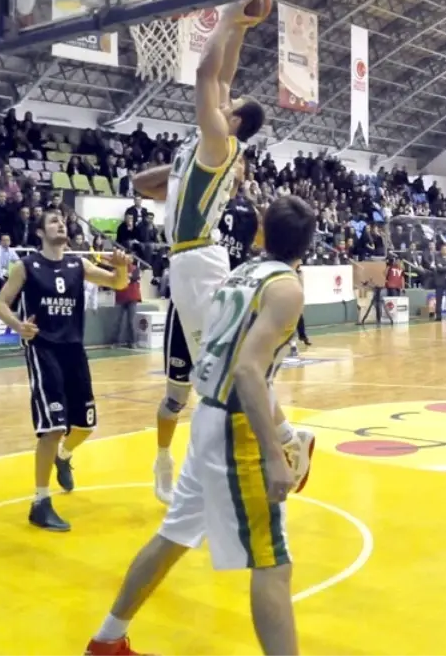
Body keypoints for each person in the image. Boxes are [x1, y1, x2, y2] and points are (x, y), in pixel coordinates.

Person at [85, 196, 317, 656]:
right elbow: (250, 371)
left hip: (208, 414)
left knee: (174, 535)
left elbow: (232, 359)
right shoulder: (286, 288)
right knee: (272, 563)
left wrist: (287, 435)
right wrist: (275, 453)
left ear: (262, 234)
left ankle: (107, 640)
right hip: (235, 426)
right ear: (307, 245)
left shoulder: (240, 274)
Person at [131, 0, 312, 505]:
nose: (224, 100)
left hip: (196, 261)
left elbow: (208, 75)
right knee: (222, 363)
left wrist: (230, 13)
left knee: (228, 362)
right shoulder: (215, 137)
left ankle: (283, 440)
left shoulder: (217, 142)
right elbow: (225, 74)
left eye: (231, 105)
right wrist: (241, 29)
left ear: (235, 121)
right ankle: (281, 438)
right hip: (191, 261)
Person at [0, 207, 130, 532]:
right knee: (53, 427)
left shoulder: (77, 264)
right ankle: (40, 502)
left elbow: (117, 283)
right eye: (53, 221)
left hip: (74, 350)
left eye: (62, 220)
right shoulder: (25, 267)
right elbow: (0, 304)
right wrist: (17, 325)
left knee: (85, 425)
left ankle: (64, 456)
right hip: (43, 350)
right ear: (40, 232)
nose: (61, 224)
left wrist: (121, 267)